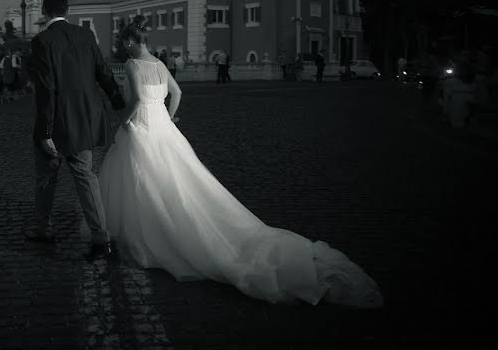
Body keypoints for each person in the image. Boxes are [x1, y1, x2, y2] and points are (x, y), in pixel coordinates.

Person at [96, 19, 384, 308]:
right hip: (163, 129)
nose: (122, 47)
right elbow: (178, 93)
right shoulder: (159, 64)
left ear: (132, 41)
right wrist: (168, 117)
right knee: (179, 182)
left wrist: (122, 122)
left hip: (142, 129)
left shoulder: (134, 65)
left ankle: (149, 237)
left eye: (123, 42)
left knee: (144, 182)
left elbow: (133, 103)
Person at [25, 0, 126, 261]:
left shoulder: (42, 41)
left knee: (46, 178)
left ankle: (42, 227)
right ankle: (101, 238)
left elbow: (46, 90)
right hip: (85, 119)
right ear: (67, 10)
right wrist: (117, 99)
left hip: (56, 123)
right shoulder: (86, 35)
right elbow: (103, 72)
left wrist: (45, 132)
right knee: (86, 177)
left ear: (45, 11)